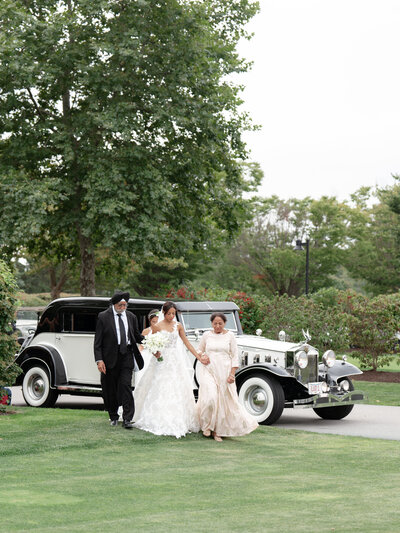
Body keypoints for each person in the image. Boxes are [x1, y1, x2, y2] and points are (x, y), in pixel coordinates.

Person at [133, 301, 210, 438]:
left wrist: (198, 356)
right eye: (169, 313)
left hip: (175, 362)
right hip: (162, 361)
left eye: (174, 314)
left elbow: (187, 343)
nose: (171, 316)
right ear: (164, 313)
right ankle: (158, 417)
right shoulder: (157, 327)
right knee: (160, 387)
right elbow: (151, 343)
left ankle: (180, 419)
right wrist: (154, 352)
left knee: (177, 388)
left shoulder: (178, 326)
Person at [196, 312, 258, 442]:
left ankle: (217, 431)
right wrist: (202, 356)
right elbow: (199, 350)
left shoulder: (230, 336)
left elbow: (235, 356)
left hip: (224, 371)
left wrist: (232, 374)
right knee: (210, 398)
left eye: (220, 323)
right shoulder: (207, 335)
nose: (217, 326)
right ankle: (207, 425)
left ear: (224, 323)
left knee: (223, 401)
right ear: (211, 324)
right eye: (215, 324)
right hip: (209, 370)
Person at [94, 291, 144, 429]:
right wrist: (99, 360)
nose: (123, 307)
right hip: (110, 356)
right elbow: (97, 341)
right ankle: (113, 416)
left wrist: (152, 340)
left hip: (127, 355)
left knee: (126, 386)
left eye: (125, 305)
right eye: (120, 305)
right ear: (114, 304)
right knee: (110, 388)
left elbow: (136, 335)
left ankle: (127, 419)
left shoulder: (131, 317)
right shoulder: (103, 317)